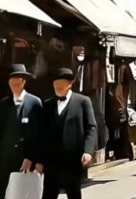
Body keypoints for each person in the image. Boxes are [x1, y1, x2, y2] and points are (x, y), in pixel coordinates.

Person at [40, 68, 96, 199]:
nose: (58, 87)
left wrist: (88, 151)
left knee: (73, 194)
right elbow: (42, 134)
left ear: (69, 84)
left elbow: (91, 127)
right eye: (56, 84)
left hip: (73, 160)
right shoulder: (48, 104)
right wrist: (39, 159)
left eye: (61, 84)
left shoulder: (83, 102)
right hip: (52, 161)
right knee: (48, 194)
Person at [0, 64, 43, 197]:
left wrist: (33, 158)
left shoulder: (34, 103)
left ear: (23, 81)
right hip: (4, 159)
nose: (14, 85)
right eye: (11, 82)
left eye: (17, 82)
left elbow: (39, 134)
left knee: (23, 194)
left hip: (25, 160)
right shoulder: (3, 105)